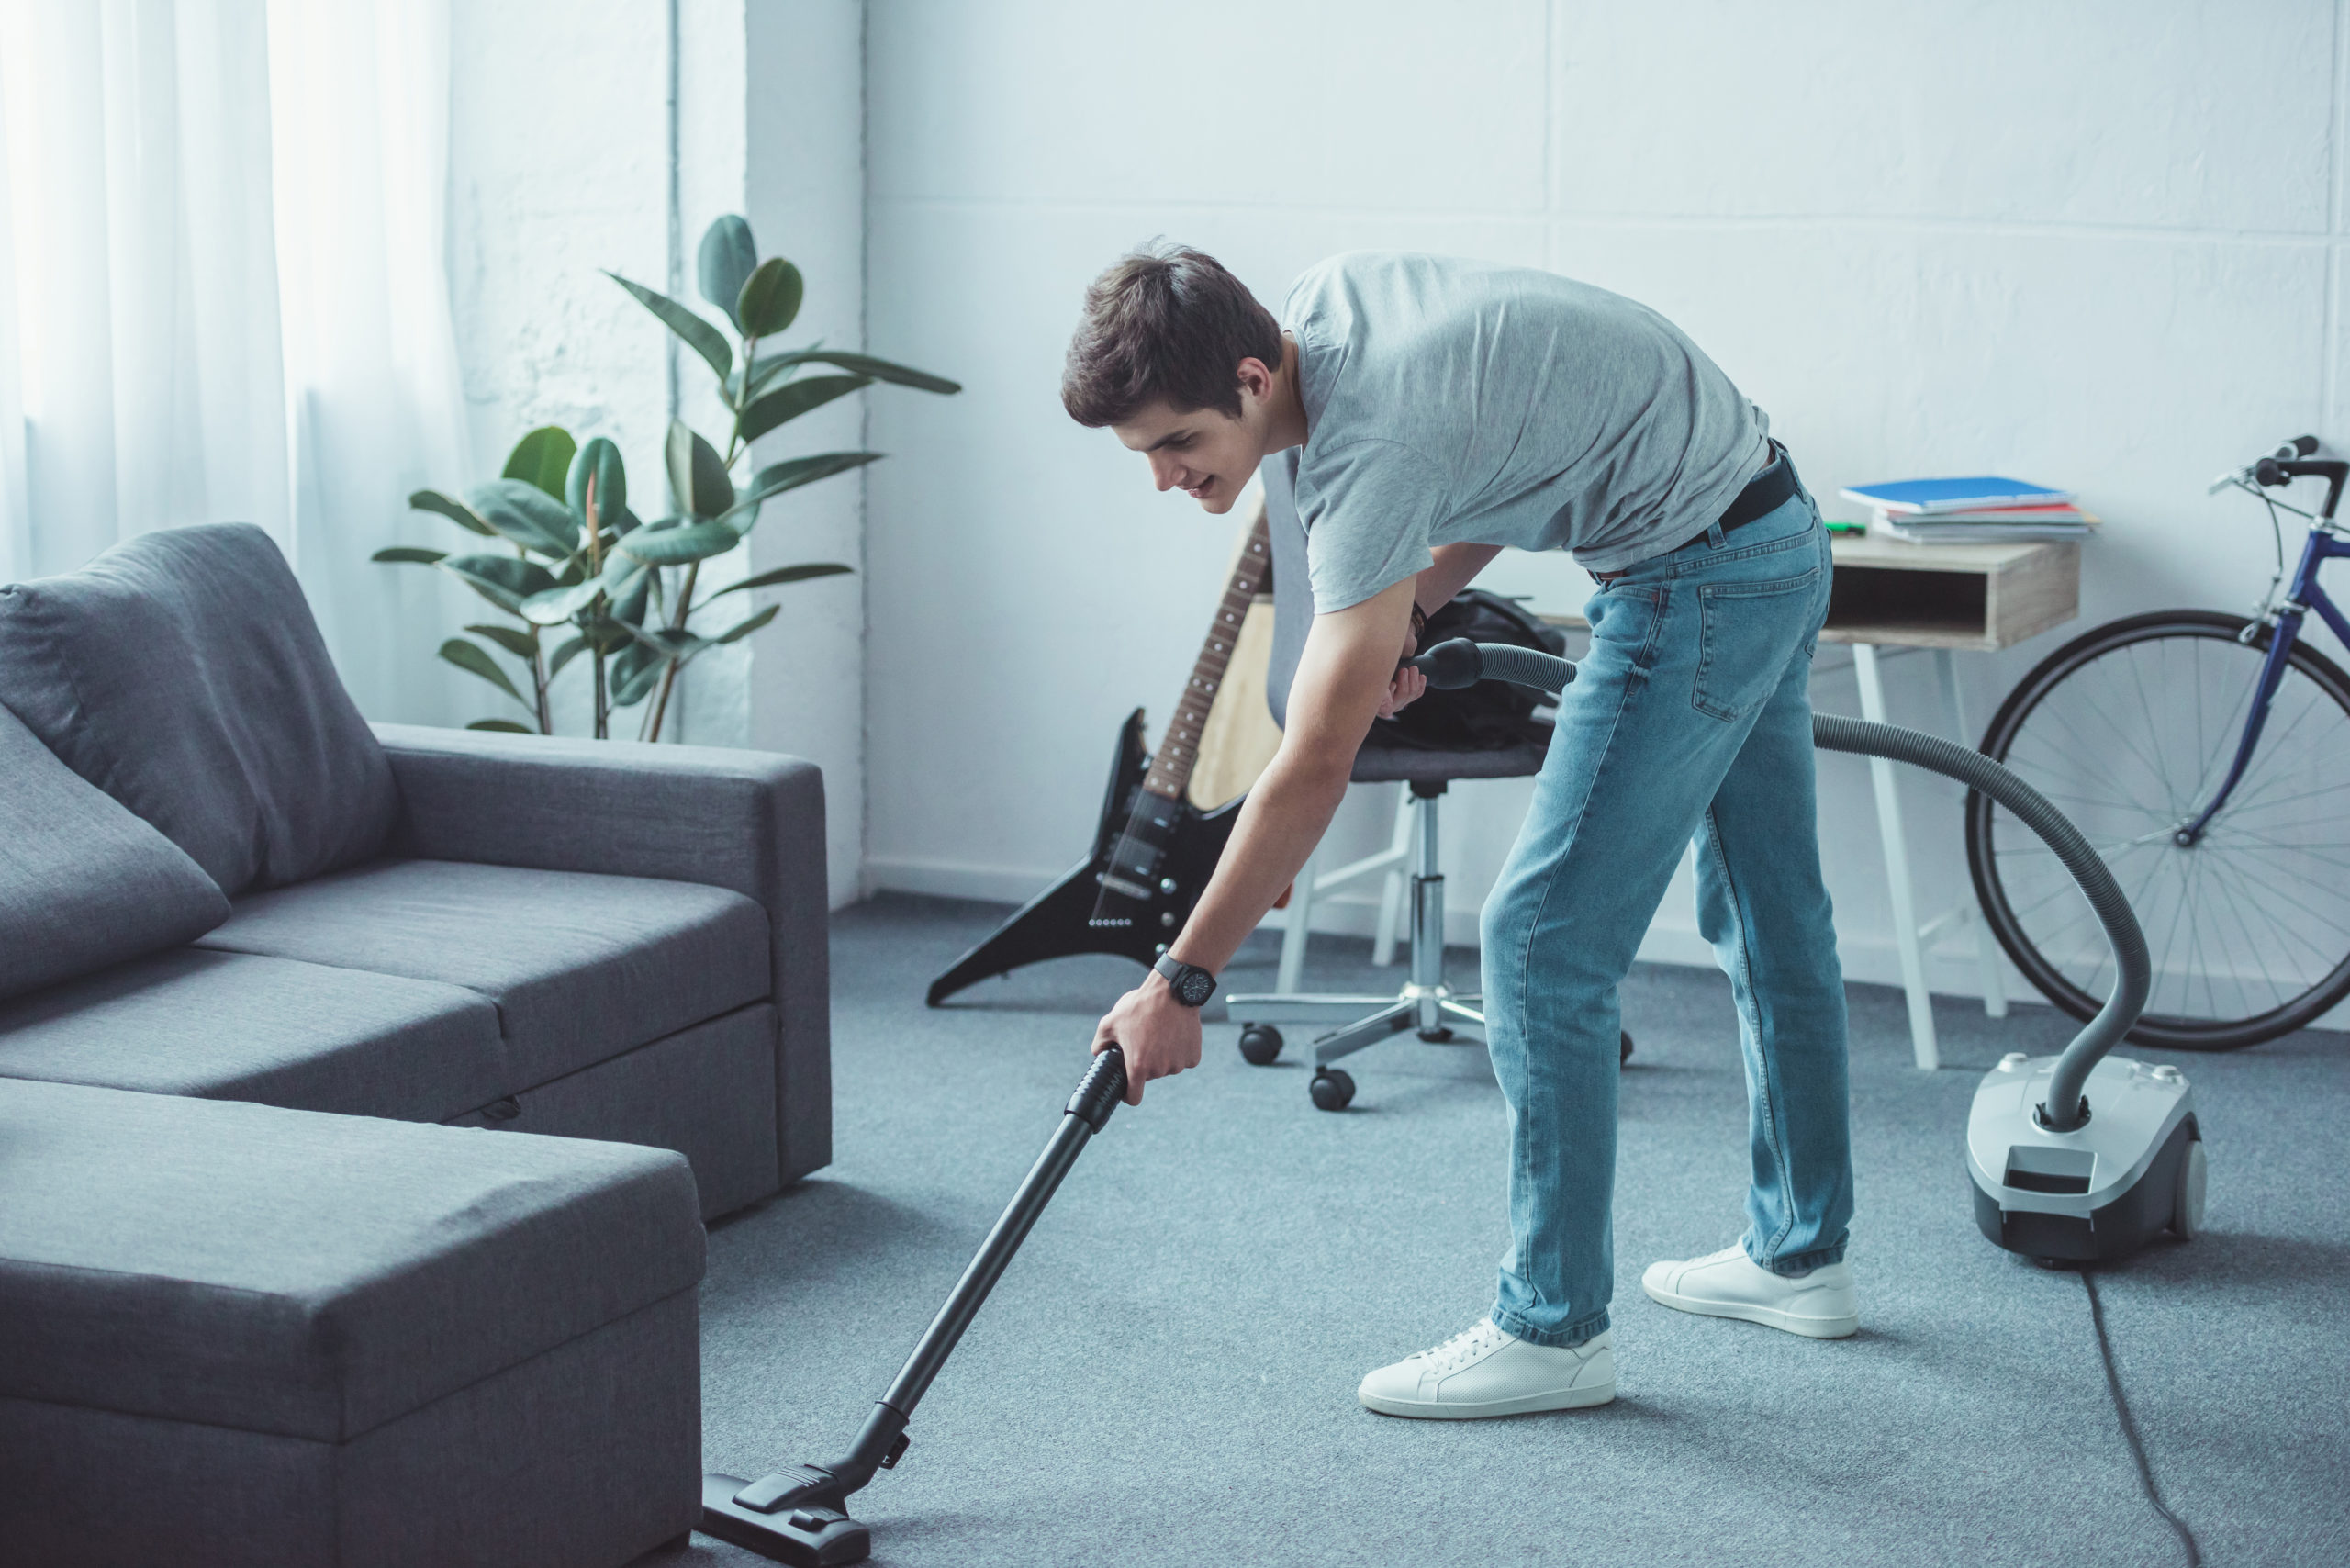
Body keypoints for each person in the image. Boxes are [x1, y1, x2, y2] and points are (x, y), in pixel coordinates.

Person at [1059, 243, 1856, 1419]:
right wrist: (1412, 606)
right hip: (1771, 532)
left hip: (1692, 579)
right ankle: (1802, 1256)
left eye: (1178, 443)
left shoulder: (1361, 450)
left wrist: (1178, 981)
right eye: (1144, 456)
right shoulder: (1323, 313)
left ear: (1243, 376)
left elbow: (1315, 763)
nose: (1167, 477)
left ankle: (1552, 1329)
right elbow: (1486, 446)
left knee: (1539, 941)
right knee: (1769, 908)